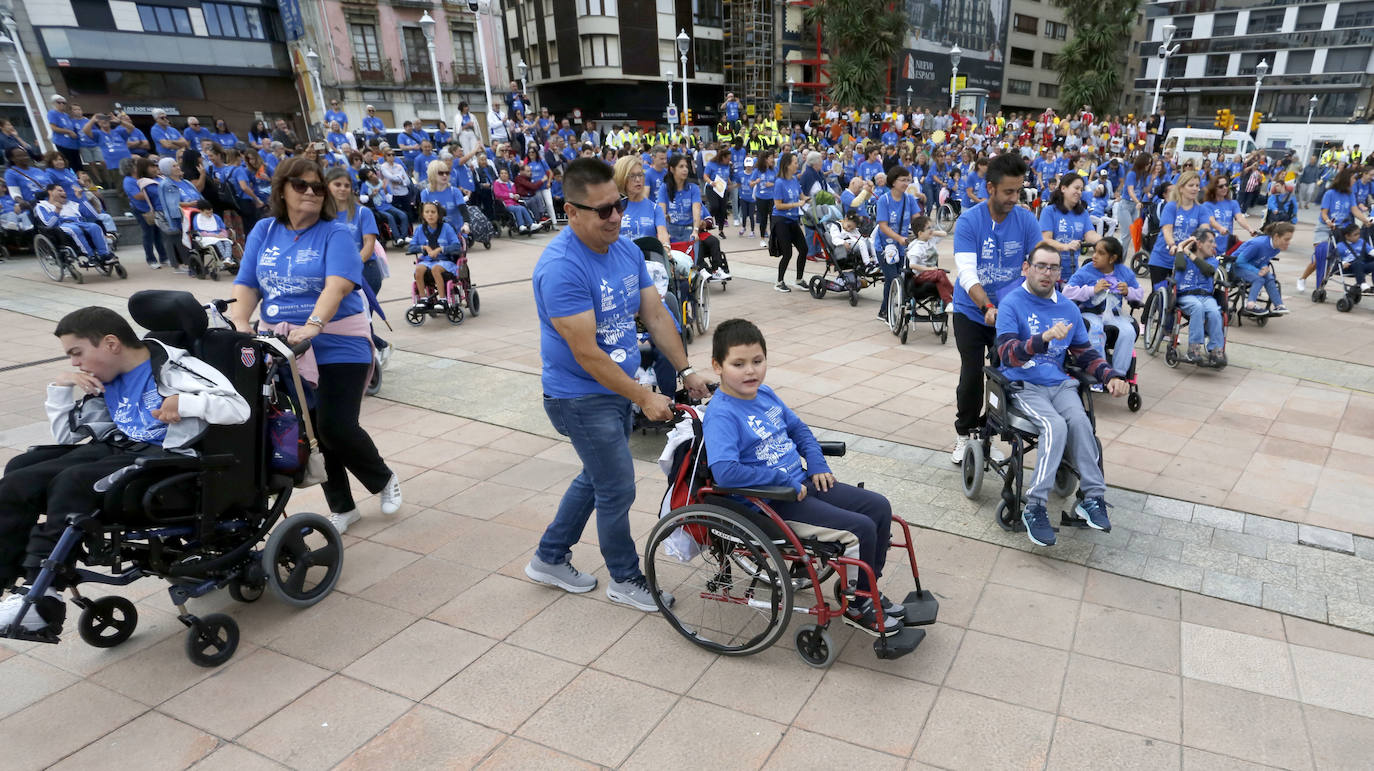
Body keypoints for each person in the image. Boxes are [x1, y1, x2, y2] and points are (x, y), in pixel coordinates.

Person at [525, 157, 710, 611]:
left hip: (616, 388)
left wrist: (685, 371)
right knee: (617, 486)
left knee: (597, 476)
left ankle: (549, 558)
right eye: (603, 210)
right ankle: (625, 579)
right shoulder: (562, 268)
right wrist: (643, 395)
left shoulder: (625, 250)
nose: (615, 217)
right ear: (570, 211)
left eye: (619, 205)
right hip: (580, 395)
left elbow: (655, 314)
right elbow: (587, 353)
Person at [0, 306, 250, 631]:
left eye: (77, 353)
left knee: (72, 482)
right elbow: (66, 437)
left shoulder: (177, 368)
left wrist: (185, 403)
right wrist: (62, 388)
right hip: (119, 447)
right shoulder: (107, 379)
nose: (75, 363)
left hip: (166, 459)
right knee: (20, 470)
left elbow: (238, 407)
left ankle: (42, 598)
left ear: (111, 344)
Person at [228, 157, 402, 535]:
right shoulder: (263, 230)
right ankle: (342, 506)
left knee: (335, 426)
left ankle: (383, 479)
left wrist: (313, 325)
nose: (310, 192)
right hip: (282, 343)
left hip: (338, 338)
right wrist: (241, 324)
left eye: (317, 187)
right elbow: (247, 285)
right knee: (309, 432)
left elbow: (337, 286)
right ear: (281, 189)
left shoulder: (335, 233)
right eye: (300, 185)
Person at [703, 318, 902, 635]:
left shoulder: (765, 394)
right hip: (772, 502)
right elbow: (725, 472)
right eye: (738, 364)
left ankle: (865, 590)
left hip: (803, 482)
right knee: (859, 528)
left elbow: (798, 429)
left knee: (878, 507)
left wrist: (817, 461)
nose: (750, 371)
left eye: (757, 361)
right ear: (718, 366)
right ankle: (858, 606)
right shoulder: (722, 413)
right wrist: (784, 482)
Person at [995, 242, 1128, 546]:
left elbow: (1085, 353)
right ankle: (1035, 506)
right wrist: (1040, 340)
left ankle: (1092, 498)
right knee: (1054, 426)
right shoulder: (1012, 303)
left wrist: (1110, 376)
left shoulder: (1067, 307)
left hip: (1060, 384)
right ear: (1026, 268)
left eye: (1054, 267)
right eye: (1041, 266)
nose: (1047, 272)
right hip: (1024, 385)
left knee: (1081, 424)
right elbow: (1007, 354)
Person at [950, 152, 1042, 464]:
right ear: (990, 188)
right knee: (972, 375)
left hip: (1010, 312)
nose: (1015, 198)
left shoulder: (1026, 220)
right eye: (1008, 192)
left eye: (1019, 191)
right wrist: (987, 305)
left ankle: (995, 430)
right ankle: (964, 433)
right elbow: (966, 274)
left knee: (1009, 372)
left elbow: (1038, 263)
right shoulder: (969, 221)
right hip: (972, 311)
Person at [1062, 237, 1141, 376]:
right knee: (1096, 330)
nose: (1094, 256)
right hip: (1089, 312)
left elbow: (1139, 294)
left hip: (1114, 314)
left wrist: (1128, 291)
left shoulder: (1124, 272)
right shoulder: (1086, 271)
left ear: (1112, 258)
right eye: (1094, 251)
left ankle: (1119, 374)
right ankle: (1100, 373)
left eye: (1100, 253)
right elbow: (1067, 292)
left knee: (1128, 331)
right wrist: (1092, 289)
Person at [1174, 226, 1227, 365]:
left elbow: (1208, 270)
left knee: (1215, 312)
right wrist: (1180, 248)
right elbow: (1179, 266)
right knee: (1197, 307)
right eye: (1211, 241)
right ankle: (1194, 349)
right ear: (1199, 244)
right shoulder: (1183, 258)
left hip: (1206, 296)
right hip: (1186, 295)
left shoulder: (1212, 260)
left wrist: (1190, 254)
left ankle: (1216, 349)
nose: (1214, 245)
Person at [1039, 173, 1100, 284]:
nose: (1079, 192)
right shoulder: (1049, 211)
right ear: (1063, 188)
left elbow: (1090, 235)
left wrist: (1105, 242)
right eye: (1076, 188)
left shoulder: (1083, 213)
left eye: (1081, 189)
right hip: (1049, 272)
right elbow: (1045, 239)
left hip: (1072, 271)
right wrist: (1065, 247)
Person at [33, 183, 115, 262]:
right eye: (60, 191)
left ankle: (104, 255)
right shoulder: (42, 206)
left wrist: (81, 199)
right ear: (50, 192)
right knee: (75, 229)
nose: (64, 192)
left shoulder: (72, 204)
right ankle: (90, 256)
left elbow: (93, 215)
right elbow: (49, 224)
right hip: (61, 225)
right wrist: (57, 211)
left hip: (79, 222)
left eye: (64, 191)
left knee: (95, 227)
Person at [407, 201, 463, 308]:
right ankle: (423, 299)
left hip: (446, 261)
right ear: (423, 214)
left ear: (439, 214)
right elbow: (411, 247)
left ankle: (442, 299)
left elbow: (456, 246)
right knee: (418, 269)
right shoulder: (419, 229)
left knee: (436, 269)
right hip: (427, 261)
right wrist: (424, 247)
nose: (430, 215)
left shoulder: (446, 228)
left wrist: (440, 249)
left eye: (433, 212)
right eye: (427, 212)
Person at [1231, 222, 1294, 314]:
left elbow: (1263, 259)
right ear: (1276, 236)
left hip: (1251, 266)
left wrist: (1264, 267)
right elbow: (1239, 261)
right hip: (1235, 267)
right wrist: (1257, 271)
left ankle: (1279, 305)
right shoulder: (1258, 244)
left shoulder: (1276, 248)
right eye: (1286, 239)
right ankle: (1250, 305)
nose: (1289, 242)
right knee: (1259, 279)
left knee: (1269, 277)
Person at [771, 152, 809, 292]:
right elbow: (778, 205)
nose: (797, 165)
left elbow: (801, 195)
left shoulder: (794, 179)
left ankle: (799, 280)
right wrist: (796, 204)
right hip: (781, 220)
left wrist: (808, 198)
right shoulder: (779, 182)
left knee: (804, 249)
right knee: (787, 253)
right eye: (795, 162)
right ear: (787, 165)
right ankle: (779, 281)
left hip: (793, 219)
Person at [123, 157, 170, 268]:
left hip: (153, 208)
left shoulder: (143, 177)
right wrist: (154, 192)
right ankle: (151, 259)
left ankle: (163, 257)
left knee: (158, 234)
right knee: (148, 234)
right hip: (142, 210)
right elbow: (137, 196)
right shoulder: (128, 180)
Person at [614, 155, 669, 250]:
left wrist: (666, 249)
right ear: (621, 178)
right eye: (632, 176)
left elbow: (663, 235)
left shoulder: (655, 209)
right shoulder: (613, 208)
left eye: (640, 175)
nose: (638, 180)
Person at [46, 94, 84, 171]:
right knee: (70, 165)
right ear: (54, 103)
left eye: (64, 103)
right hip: (63, 144)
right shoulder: (52, 113)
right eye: (59, 102)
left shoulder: (66, 115)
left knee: (78, 165)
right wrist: (69, 132)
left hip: (73, 145)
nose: (62, 104)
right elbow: (53, 127)